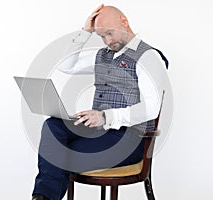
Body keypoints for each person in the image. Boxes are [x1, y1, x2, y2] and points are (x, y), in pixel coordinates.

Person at [32, 4, 168, 200]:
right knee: (52, 125)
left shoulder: (148, 57)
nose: (107, 41)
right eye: (102, 36)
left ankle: (45, 197)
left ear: (124, 21)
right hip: (97, 132)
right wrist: (84, 33)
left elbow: (151, 108)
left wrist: (105, 116)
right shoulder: (102, 55)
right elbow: (65, 66)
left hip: (128, 139)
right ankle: (41, 198)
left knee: (61, 155)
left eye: (110, 33)